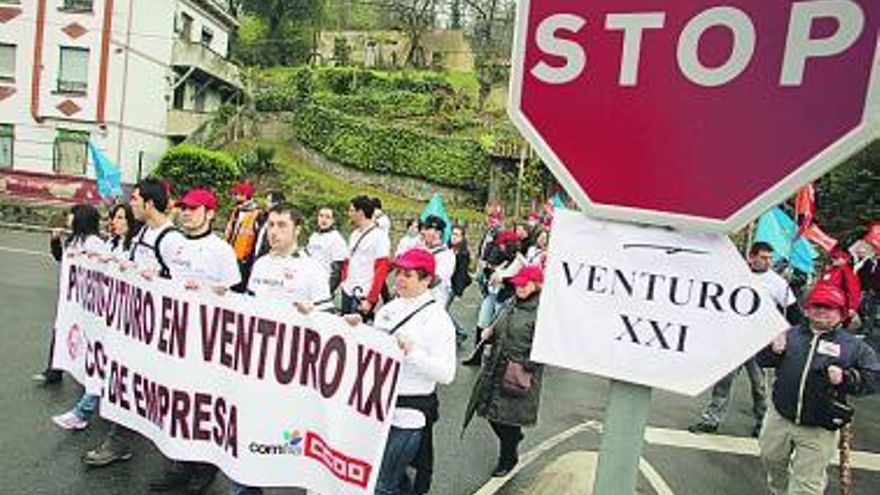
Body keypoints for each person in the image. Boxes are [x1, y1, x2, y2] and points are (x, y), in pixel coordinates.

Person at [83, 178, 188, 468]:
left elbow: (184, 289)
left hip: (160, 334)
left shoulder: (172, 241)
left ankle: (186, 457)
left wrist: (159, 281)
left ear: (150, 203)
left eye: (136, 199)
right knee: (127, 382)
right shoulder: (142, 234)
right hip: (135, 329)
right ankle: (120, 440)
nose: (132, 204)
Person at [228, 204, 332, 495]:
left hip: (290, 371)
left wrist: (312, 314)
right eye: (271, 225)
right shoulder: (260, 264)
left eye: (282, 225)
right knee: (248, 434)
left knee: (285, 441)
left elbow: (328, 321)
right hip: (254, 364)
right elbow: (248, 307)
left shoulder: (312, 269)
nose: (274, 232)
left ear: (298, 229)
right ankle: (244, 487)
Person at [148, 187, 240, 494]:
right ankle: (180, 463)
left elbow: (238, 300)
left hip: (208, 343)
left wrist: (220, 297)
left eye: (194, 208)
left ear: (210, 213)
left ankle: (205, 468)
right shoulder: (177, 246)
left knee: (203, 405)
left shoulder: (221, 250)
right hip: (176, 337)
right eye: (184, 208)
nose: (187, 213)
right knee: (177, 401)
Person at [345, 248, 456, 495]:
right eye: (398, 272)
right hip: (377, 409)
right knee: (377, 478)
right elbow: (374, 350)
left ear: (427, 280)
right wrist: (358, 329)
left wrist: (413, 353)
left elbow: (447, 374)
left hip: (409, 413)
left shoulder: (438, 320)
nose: (400, 279)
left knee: (382, 484)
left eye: (409, 274)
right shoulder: (388, 309)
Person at [758, 283, 879, 495]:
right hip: (779, 418)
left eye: (829, 307)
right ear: (807, 309)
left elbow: (874, 378)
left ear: (841, 313)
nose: (821, 310)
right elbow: (762, 361)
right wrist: (772, 350)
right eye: (817, 305)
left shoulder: (853, 346)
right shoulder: (790, 334)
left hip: (819, 427)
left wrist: (847, 378)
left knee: (806, 485)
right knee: (772, 462)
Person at [689, 242, 798, 437]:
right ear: (751, 257)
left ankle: (762, 423)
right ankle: (711, 420)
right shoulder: (736, 276)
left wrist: (782, 335)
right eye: (764, 257)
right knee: (723, 383)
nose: (768, 261)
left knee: (759, 386)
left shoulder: (778, 284)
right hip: (736, 340)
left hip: (760, 342)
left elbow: (793, 314)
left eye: (770, 258)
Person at [51, 203, 140, 430]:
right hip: (103, 314)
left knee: (107, 367)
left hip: (123, 319)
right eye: (114, 217)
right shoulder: (111, 243)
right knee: (102, 365)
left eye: (121, 218)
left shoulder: (131, 248)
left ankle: (83, 412)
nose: (115, 222)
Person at [463, 265, 545, 477]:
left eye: (524, 284)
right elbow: (501, 325)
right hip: (496, 368)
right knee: (491, 413)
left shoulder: (542, 313)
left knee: (506, 417)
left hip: (517, 373)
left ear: (537, 285)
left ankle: (508, 458)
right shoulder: (511, 302)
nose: (519, 287)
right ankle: (513, 439)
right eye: (517, 283)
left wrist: (525, 365)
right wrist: (491, 331)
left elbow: (545, 349)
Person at [33, 203, 107, 385]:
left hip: (86, 298)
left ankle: (85, 371)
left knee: (83, 333)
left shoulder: (95, 243)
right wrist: (55, 241)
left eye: (71, 215)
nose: (68, 218)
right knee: (61, 328)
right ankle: (54, 370)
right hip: (69, 296)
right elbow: (61, 258)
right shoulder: (73, 240)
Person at [463, 231, 526, 366]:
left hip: (504, 296)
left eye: (503, 245)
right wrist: (490, 271)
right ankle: (477, 356)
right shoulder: (500, 255)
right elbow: (488, 270)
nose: (500, 247)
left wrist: (502, 279)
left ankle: (494, 359)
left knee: (498, 328)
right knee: (482, 322)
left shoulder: (519, 261)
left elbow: (517, 281)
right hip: (492, 294)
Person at [339, 195, 391, 321]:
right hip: (348, 290)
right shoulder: (354, 234)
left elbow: (381, 269)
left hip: (363, 293)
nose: (349, 214)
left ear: (360, 212)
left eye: (351, 210)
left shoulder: (380, 237)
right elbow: (348, 260)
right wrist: (344, 280)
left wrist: (371, 299)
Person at [306, 206, 348, 294]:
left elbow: (337, 271)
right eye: (321, 216)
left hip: (324, 287)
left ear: (333, 220)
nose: (323, 219)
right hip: (309, 285)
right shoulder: (314, 236)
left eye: (327, 217)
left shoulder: (337, 239)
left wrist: (327, 292)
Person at [225, 181, 261, 282]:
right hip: (230, 254)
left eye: (236, 194)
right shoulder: (237, 211)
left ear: (245, 196)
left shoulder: (257, 214)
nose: (234, 196)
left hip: (244, 259)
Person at [819, 248, 862, 328]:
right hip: (826, 304)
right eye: (833, 257)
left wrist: (852, 307)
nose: (833, 259)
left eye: (836, 258)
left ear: (845, 259)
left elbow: (854, 291)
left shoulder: (847, 272)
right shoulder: (831, 270)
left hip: (838, 306)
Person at [421, 215, 455, 309]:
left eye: (427, 229)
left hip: (434, 304)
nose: (423, 232)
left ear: (438, 233)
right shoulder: (421, 248)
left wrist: (414, 281)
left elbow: (434, 281)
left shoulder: (447, 256)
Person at [449, 225, 472, 345]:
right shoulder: (447, 248)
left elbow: (462, 274)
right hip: (443, 284)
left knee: (442, 311)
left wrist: (458, 291)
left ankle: (460, 332)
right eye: (453, 234)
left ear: (462, 238)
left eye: (457, 235)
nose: (454, 237)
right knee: (443, 311)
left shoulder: (463, 254)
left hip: (452, 286)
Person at [252, 190, 286, 263]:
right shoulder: (264, 218)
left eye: (268, 201)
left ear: (277, 203)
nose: (266, 203)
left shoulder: (282, 224)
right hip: (257, 258)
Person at [857, 244, 880, 336]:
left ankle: (868, 329)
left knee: (869, 309)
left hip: (874, 289)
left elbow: (874, 277)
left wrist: (870, 288)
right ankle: (867, 328)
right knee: (868, 309)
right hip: (870, 289)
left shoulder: (871, 263)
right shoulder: (872, 262)